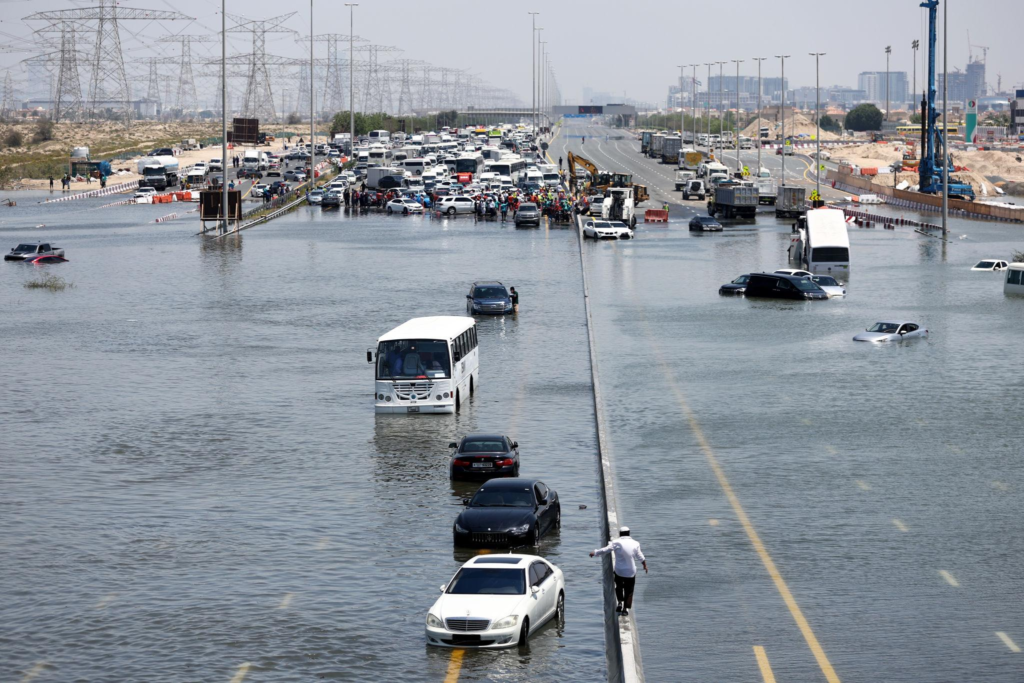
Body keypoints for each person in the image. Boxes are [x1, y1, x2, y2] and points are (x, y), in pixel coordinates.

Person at [590, 526, 647, 616]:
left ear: (620, 534)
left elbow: (606, 550)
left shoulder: (616, 542)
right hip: (630, 572)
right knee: (629, 590)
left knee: (619, 587)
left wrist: (595, 552)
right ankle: (625, 609)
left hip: (619, 571)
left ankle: (620, 602)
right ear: (629, 533)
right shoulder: (636, 543)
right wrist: (645, 566)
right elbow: (640, 556)